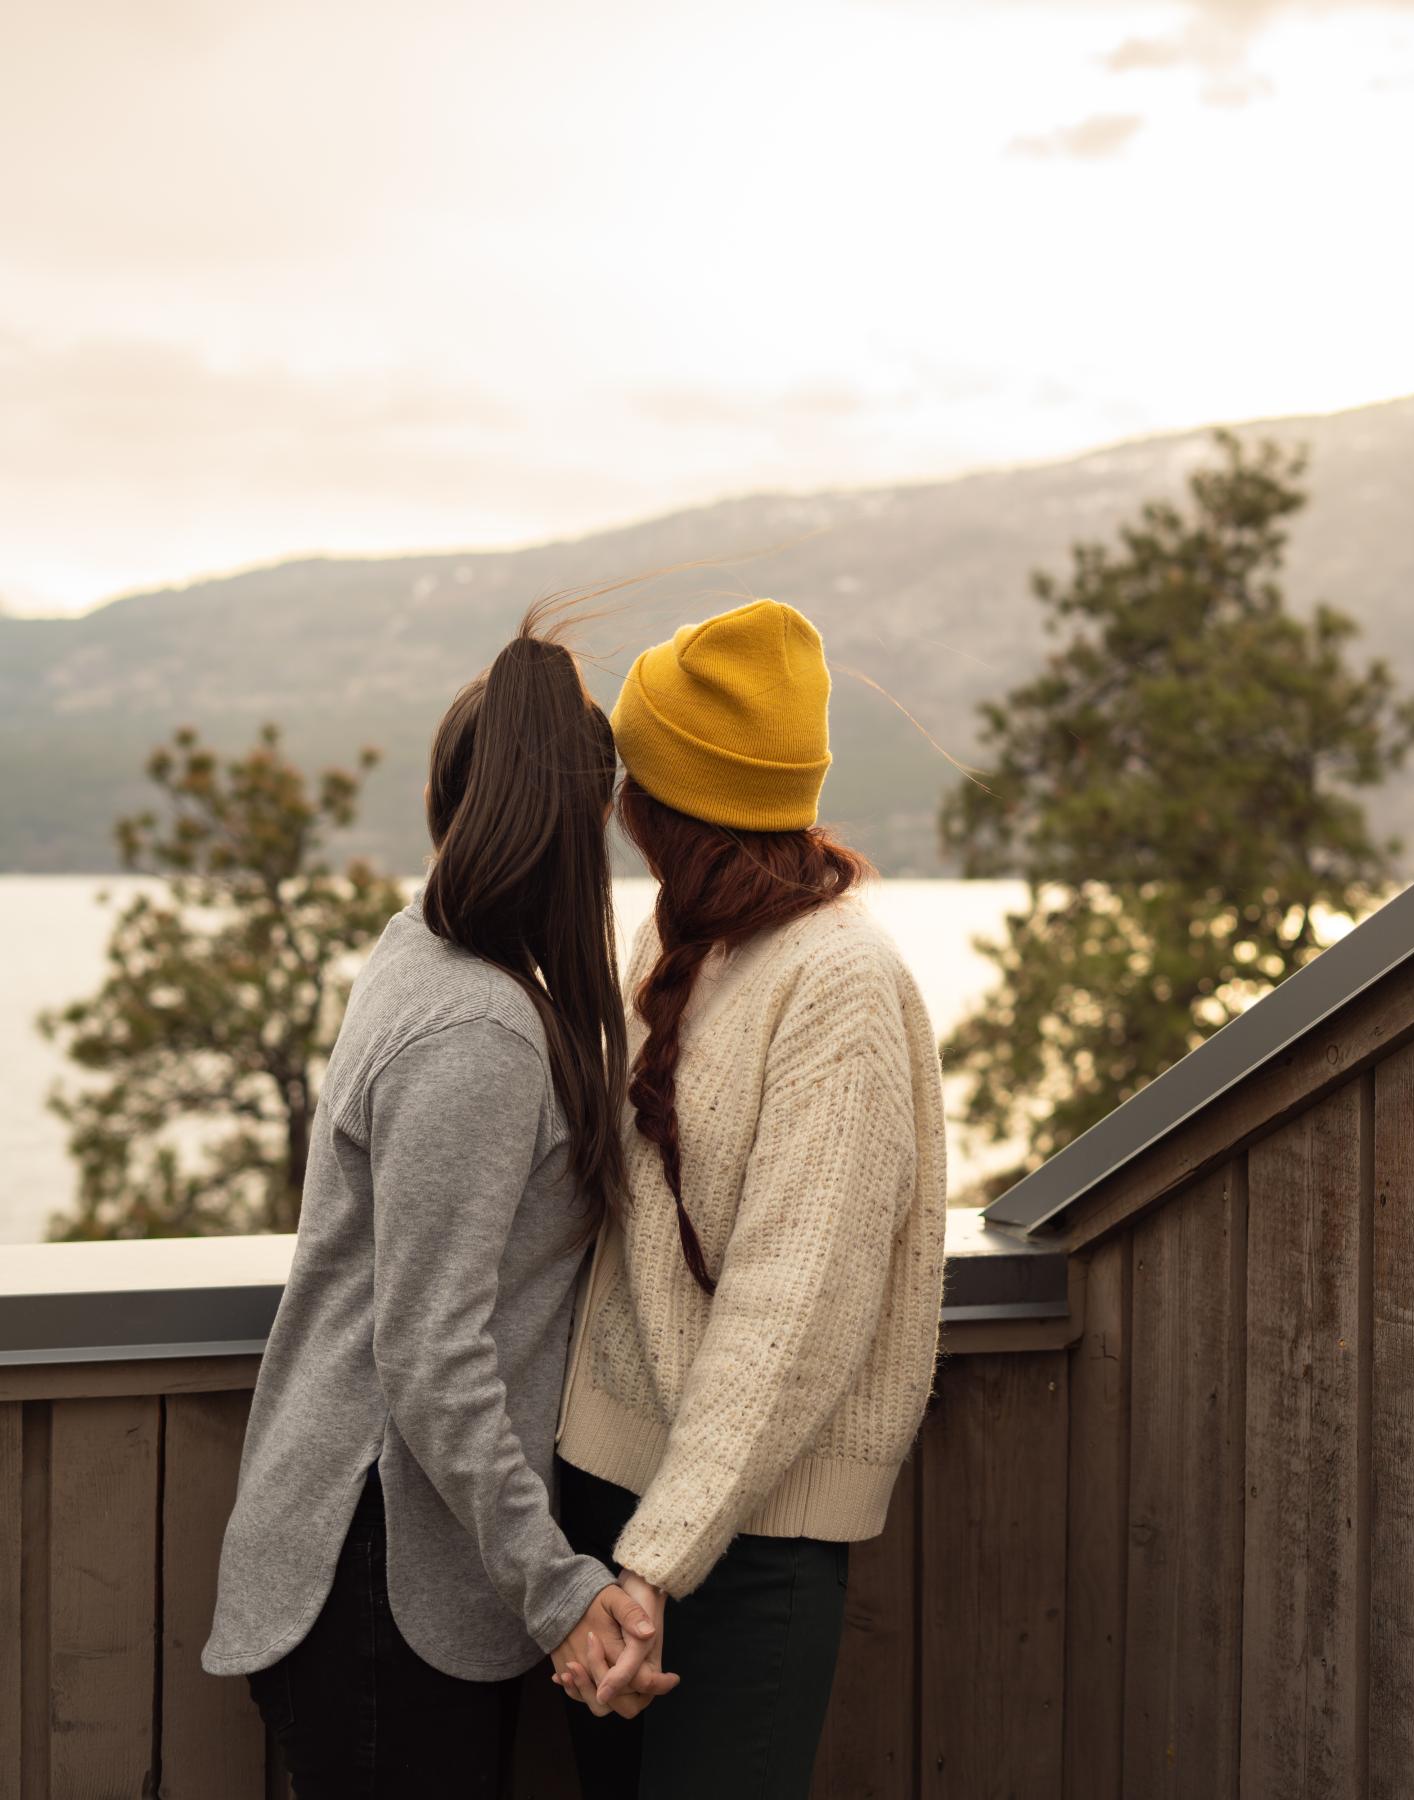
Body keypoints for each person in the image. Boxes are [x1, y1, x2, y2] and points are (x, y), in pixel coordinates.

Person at [203, 605, 677, 1797]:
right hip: (379, 1585)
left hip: (390, 1576)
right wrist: (558, 1585)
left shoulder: (416, 954)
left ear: (449, 804)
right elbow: (430, 1353)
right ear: (580, 834)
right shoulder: (478, 1031)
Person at [551, 598, 948, 1798]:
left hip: (748, 1549)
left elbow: (795, 1308)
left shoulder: (838, 981)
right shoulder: (684, 946)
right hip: (604, 1519)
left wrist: (654, 1568)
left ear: (656, 803)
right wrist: (596, 1561)